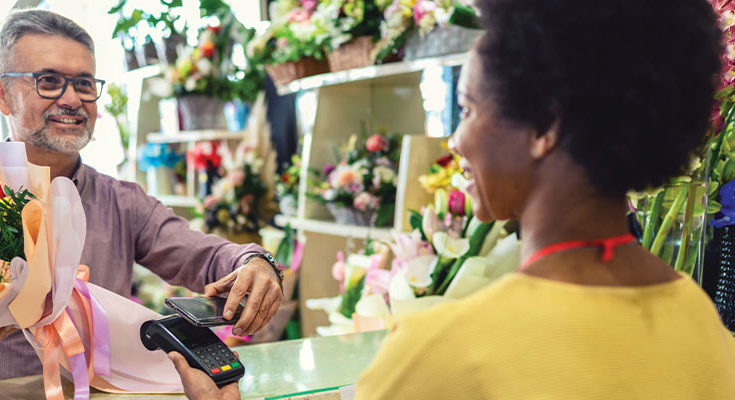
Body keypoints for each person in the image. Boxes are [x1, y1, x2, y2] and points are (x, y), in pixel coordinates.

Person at [171, 0, 735, 399]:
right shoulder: (702, 324)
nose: (457, 141)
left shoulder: (450, 353)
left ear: (544, 126)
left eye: (467, 111)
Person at [0, 9, 283, 388]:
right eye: (48, 81)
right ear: (2, 95)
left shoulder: (123, 202)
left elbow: (205, 256)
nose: (72, 99)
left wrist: (254, 264)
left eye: (84, 83)